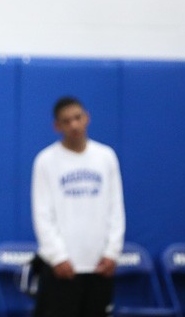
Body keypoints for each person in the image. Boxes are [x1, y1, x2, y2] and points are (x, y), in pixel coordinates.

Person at [30, 96, 126, 317]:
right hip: (61, 268)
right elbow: (42, 214)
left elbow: (116, 208)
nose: (73, 124)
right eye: (66, 121)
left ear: (87, 118)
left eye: (77, 118)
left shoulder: (106, 157)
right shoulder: (45, 160)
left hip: (99, 266)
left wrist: (113, 252)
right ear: (57, 126)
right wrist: (58, 256)